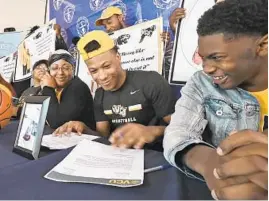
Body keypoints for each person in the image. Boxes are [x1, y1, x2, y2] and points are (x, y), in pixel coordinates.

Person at [163, 0, 268, 200]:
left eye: (217, 57)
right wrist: (210, 163)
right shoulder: (201, 84)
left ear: (262, 45)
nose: (207, 68)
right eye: (203, 59)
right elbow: (177, 133)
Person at [54, 31, 176, 151]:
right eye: (94, 71)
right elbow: (104, 138)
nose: (102, 76)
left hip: (158, 156)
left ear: (118, 58)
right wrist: (83, 128)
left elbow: (182, 129)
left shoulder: (151, 81)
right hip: (121, 158)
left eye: (106, 66)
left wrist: (151, 131)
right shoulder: (100, 95)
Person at [40, 49, 95, 130]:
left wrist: (48, 89)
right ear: (49, 72)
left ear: (73, 69)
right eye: (55, 68)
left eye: (66, 68)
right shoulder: (56, 89)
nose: (60, 72)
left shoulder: (78, 87)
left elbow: (56, 123)